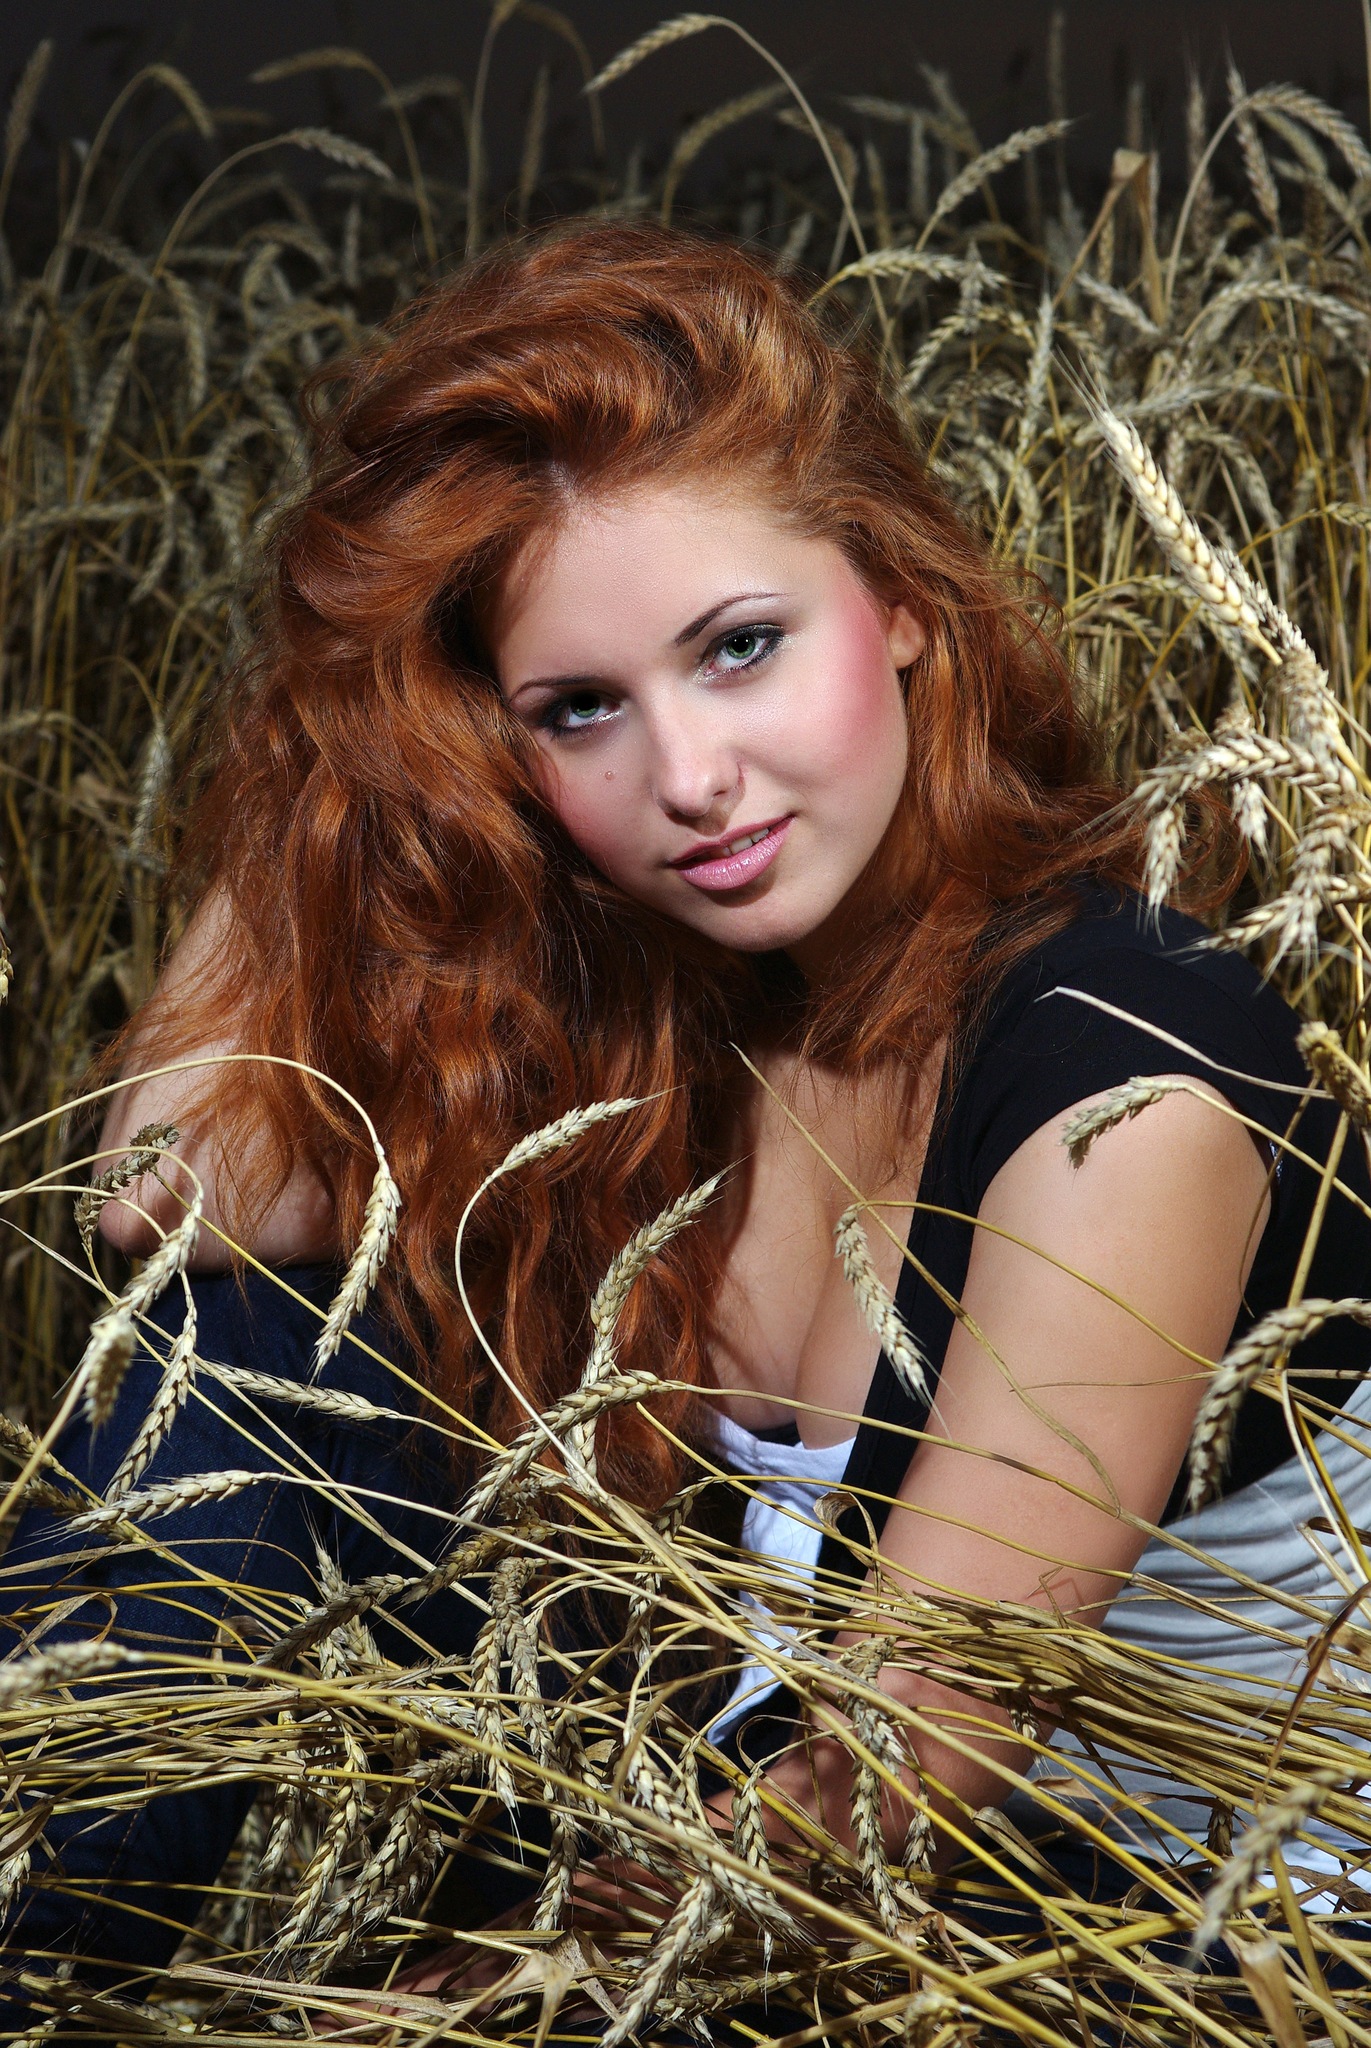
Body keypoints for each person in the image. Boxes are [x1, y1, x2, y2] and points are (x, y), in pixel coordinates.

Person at [2, 218, 1368, 2018]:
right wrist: (350, 748)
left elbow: (908, 1761)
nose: (690, 781)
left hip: (1163, 1933)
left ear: (904, 605)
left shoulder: (1128, 1072)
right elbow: (167, 1191)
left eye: (739, 648)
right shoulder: (653, 1013)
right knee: (249, 1347)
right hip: (755, 1824)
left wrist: (406, 2013)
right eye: (581, 710)